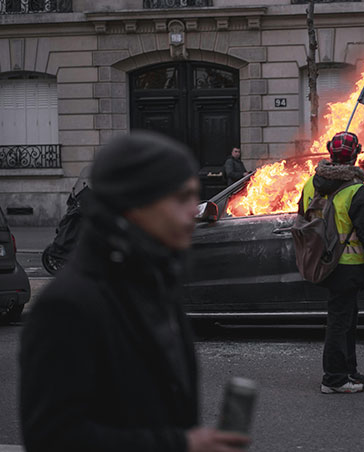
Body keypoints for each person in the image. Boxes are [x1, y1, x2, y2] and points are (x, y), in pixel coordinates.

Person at [20, 131, 249, 452]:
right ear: (135, 206)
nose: (193, 212)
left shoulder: (154, 281)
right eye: (180, 198)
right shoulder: (67, 305)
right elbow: (53, 438)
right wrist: (181, 445)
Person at [299, 131, 364, 394]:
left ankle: (348, 370)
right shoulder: (357, 191)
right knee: (341, 321)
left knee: (346, 318)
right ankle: (333, 379)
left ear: (330, 153)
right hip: (349, 267)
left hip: (323, 262)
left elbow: (302, 218)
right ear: (355, 156)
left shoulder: (311, 183)